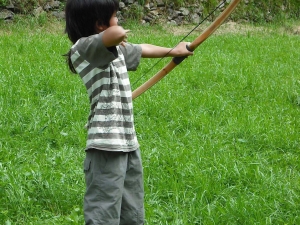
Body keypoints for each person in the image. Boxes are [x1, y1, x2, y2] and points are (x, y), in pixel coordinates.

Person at [64, 0, 193, 224]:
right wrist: (116, 30)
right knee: (103, 211)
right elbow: (113, 35)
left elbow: (142, 49)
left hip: (127, 142)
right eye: (115, 16)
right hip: (104, 145)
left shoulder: (115, 48)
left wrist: (174, 50)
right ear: (99, 24)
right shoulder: (83, 48)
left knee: (132, 211)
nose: (119, 21)